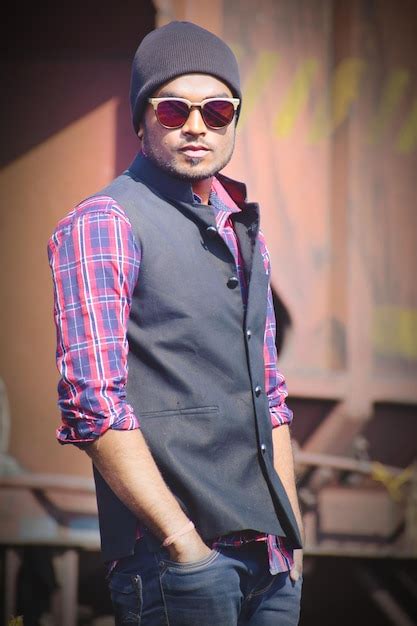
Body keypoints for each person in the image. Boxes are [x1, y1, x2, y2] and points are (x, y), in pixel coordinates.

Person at [48, 20, 304, 626]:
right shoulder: (104, 223)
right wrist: (183, 545)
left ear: (234, 120)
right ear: (141, 119)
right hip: (177, 566)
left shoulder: (245, 234)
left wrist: (291, 542)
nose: (197, 125)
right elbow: (91, 405)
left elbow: (272, 397)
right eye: (173, 109)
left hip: (269, 565)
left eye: (217, 109)